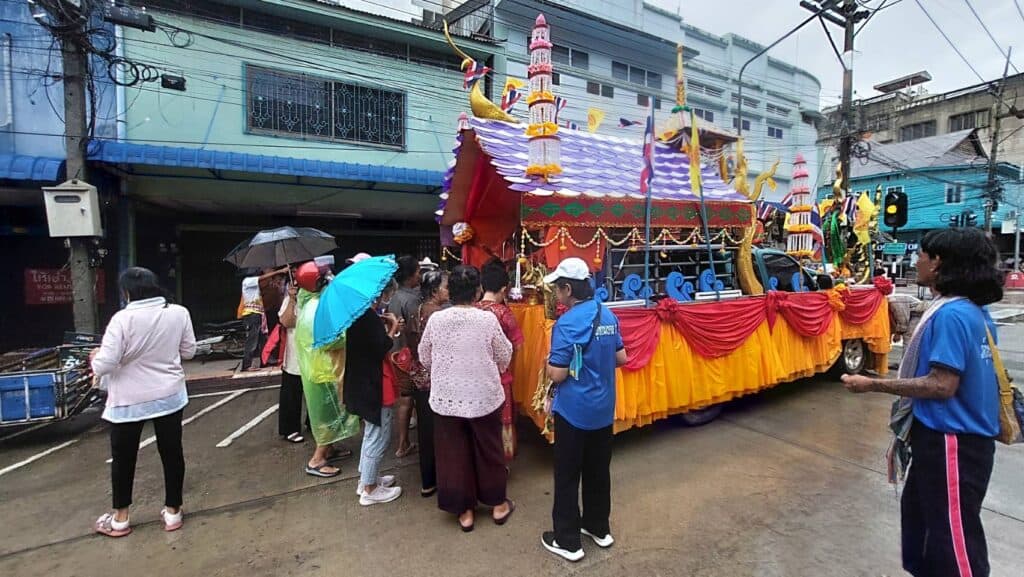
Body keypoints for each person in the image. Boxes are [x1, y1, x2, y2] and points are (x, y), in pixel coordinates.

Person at [842, 227, 1004, 577]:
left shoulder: (952, 315)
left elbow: (942, 385)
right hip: (945, 439)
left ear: (939, 263)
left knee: (953, 538)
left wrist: (872, 384)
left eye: (922, 255)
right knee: (923, 527)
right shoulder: (973, 311)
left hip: (953, 442)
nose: (916, 261)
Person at [91, 267, 196, 537]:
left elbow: (106, 363)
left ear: (126, 292)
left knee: (124, 459)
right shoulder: (178, 313)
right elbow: (189, 351)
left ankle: (120, 519)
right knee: (172, 453)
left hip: (128, 401)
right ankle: (173, 512)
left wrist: (94, 356)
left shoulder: (121, 320)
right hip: (169, 397)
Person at [541, 257, 627, 562]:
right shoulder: (608, 314)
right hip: (603, 410)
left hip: (574, 412)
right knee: (598, 471)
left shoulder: (566, 324)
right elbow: (622, 359)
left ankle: (568, 540)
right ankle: (598, 528)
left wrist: (549, 364)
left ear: (568, 289)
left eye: (557, 288)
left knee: (566, 475)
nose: (555, 294)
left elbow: (558, 374)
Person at [418, 266, 514, 532]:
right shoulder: (487, 320)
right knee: (490, 451)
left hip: (447, 398)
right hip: (484, 396)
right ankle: (497, 505)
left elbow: (424, 356)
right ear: (477, 291)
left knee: (454, 455)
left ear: (451, 291)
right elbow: (505, 355)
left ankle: (465, 511)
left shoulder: (437, 320)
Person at [293, 262, 361, 478]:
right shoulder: (319, 308)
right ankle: (317, 459)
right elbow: (332, 340)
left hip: (316, 367)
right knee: (329, 414)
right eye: (326, 275)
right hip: (325, 369)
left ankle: (330, 449)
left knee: (327, 412)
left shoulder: (308, 302)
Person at [344, 279, 404, 506]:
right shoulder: (367, 317)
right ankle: (369, 489)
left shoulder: (360, 314)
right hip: (373, 384)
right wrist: (393, 328)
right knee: (378, 436)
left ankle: (367, 479)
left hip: (364, 382)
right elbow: (381, 347)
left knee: (372, 433)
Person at [475, 260, 524, 464]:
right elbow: (518, 345)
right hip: (500, 377)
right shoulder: (504, 313)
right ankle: (501, 462)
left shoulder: (472, 309)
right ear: (504, 289)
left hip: (476, 375)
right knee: (502, 420)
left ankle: (482, 459)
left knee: (481, 420)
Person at [411, 269, 449, 497]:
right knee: (437, 431)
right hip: (432, 378)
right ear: (435, 291)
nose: (449, 290)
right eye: (445, 287)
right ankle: (436, 479)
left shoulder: (420, 308)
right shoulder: (437, 314)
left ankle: (428, 480)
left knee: (426, 431)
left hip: (421, 376)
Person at [389, 255, 422, 458]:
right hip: (406, 355)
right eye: (418, 271)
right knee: (407, 398)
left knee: (406, 398)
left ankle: (404, 441)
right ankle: (403, 444)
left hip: (397, 353)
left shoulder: (397, 296)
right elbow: (414, 332)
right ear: (410, 275)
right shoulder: (409, 300)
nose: (420, 274)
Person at [277, 272, 305, 444]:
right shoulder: (290, 298)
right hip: (295, 353)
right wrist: (293, 299)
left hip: (314, 352)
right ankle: (290, 428)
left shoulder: (319, 296)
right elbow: (287, 322)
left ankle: (314, 423)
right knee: (292, 392)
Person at [239, 273, 264, 372]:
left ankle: (264, 361)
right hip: (251, 314)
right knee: (252, 341)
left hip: (256, 314)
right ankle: (246, 365)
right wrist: (278, 272)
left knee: (259, 339)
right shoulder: (247, 281)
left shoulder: (255, 286)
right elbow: (262, 278)